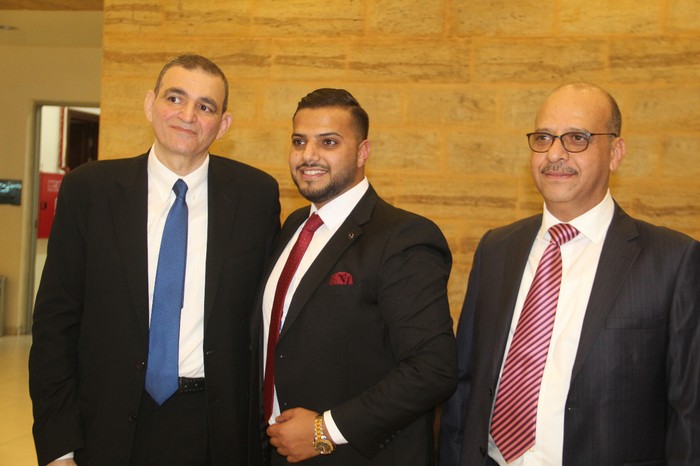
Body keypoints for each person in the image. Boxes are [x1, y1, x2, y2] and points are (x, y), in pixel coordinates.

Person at [29, 54, 281, 466]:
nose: (188, 115)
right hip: (106, 425)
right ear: (150, 104)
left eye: (205, 106)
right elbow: (55, 324)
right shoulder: (89, 191)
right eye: (175, 98)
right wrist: (59, 447)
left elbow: (269, 320)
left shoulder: (255, 197)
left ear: (223, 124)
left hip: (215, 430)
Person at [439, 82, 700, 465]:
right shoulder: (497, 248)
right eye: (543, 138)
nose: (554, 154)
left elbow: (689, 413)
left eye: (577, 138)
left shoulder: (672, 260)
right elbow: (465, 384)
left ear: (615, 153)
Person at [252, 88, 457, 465]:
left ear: (363, 152)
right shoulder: (295, 225)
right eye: (299, 141)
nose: (308, 155)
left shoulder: (403, 237)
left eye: (328, 142)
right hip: (275, 451)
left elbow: (433, 368)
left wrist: (324, 431)